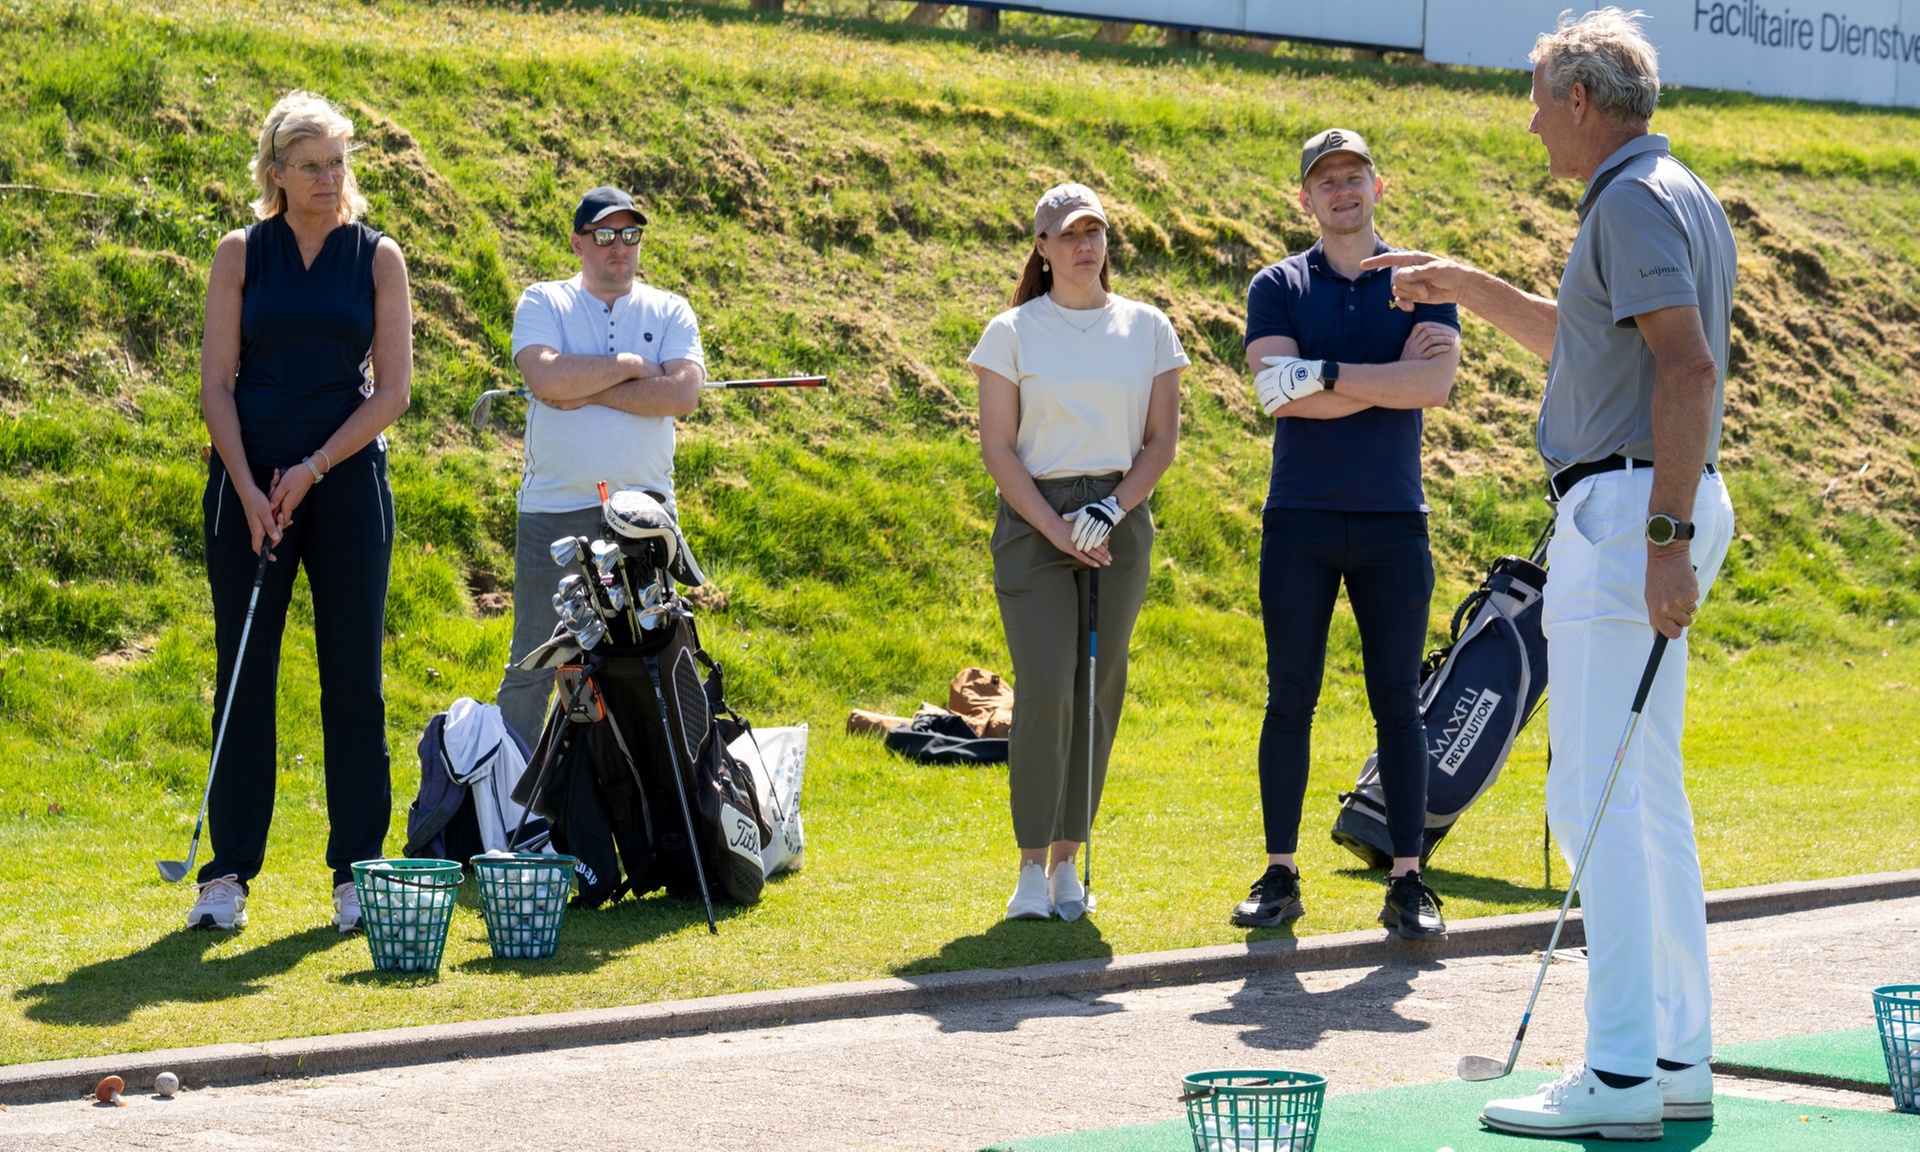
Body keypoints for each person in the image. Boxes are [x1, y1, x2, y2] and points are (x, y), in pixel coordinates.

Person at [1366, 8, 1737, 1140]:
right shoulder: (1673, 190)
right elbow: (1591, 349)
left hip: (1631, 509)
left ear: (1581, 99)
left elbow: (1687, 370)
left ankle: (1618, 1074)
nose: (1532, 126)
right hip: (1646, 500)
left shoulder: (1628, 201)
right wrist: (1467, 284)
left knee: (1591, 794)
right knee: (1645, 789)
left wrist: (1662, 540)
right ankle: (1673, 1058)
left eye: (1538, 103)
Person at [1229, 129, 1461, 942]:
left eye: (1353, 176)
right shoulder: (1277, 284)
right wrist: (1389, 379)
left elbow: (1434, 384)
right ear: (1306, 198)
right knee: (1289, 697)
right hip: (1300, 517)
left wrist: (1323, 372)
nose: (1341, 190)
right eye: (1325, 181)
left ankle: (1408, 881)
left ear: (1377, 185)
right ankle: (1280, 874)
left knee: (1399, 702)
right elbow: (1276, 394)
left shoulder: (1423, 280)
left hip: (1395, 519)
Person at [193, 91, 413, 933]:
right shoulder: (240, 252)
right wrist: (250, 489)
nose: (328, 178)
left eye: (337, 163)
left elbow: (392, 393)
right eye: (311, 165)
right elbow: (216, 384)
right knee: (244, 675)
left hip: (346, 481)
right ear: (275, 172)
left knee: (353, 677)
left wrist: (315, 468)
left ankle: (357, 872)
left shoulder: (378, 256)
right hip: (248, 482)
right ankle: (226, 876)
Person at [968, 183, 1187, 922]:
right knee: (1047, 689)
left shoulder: (1148, 327)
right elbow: (999, 450)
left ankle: (1068, 863)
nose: (1083, 244)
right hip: (1035, 520)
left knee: (1097, 689)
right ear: (1042, 247)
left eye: (1093, 231)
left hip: (1117, 516)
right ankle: (1031, 865)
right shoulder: (1011, 331)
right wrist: (1058, 528)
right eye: (1067, 234)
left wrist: (1112, 508)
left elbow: (1161, 441)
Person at [492, 188, 705, 750]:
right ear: (578, 243)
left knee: (656, 658)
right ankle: (509, 795)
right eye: (605, 235)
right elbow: (546, 378)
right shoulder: (544, 301)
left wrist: (584, 390)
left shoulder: (670, 309)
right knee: (537, 662)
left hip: (645, 516)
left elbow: (682, 393)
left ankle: (663, 787)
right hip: (553, 509)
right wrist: (632, 367)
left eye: (630, 235)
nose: (620, 247)